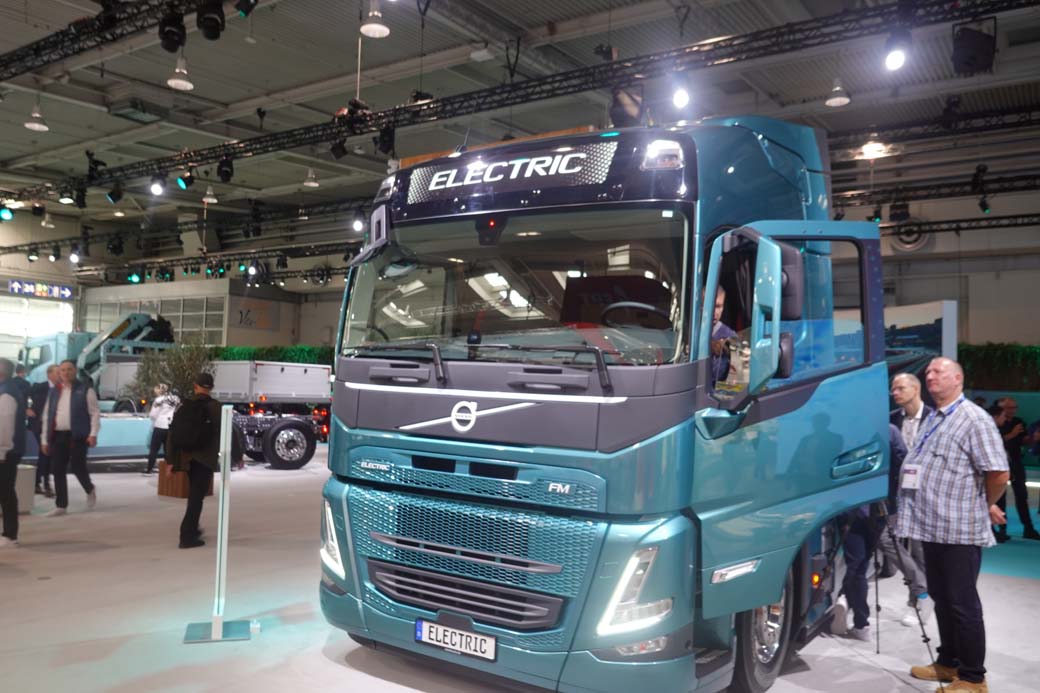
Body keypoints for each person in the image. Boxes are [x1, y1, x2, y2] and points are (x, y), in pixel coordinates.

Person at [898, 357, 1009, 693]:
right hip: (931, 525)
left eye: (939, 371)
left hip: (959, 528)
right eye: (928, 371)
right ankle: (949, 661)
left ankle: (973, 678)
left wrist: (983, 504)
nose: (930, 375)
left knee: (962, 603)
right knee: (942, 598)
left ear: (958, 379)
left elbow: (998, 473)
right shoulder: (936, 417)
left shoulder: (973, 419)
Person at [167, 373, 222, 549]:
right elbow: (225, 432)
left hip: (187, 457)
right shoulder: (216, 407)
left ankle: (193, 529)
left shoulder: (184, 406)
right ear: (211, 388)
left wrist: (170, 460)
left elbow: (172, 433)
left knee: (195, 495)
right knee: (196, 498)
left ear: (195, 386)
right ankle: (187, 536)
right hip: (205, 458)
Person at [40, 360, 100, 516]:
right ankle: (61, 505)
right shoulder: (54, 391)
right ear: (59, 373)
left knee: (78, 467)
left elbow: (94, 413)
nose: (66, 373)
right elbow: (47, 415)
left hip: (78, 436)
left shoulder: (86, 390)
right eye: (63, 370)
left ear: (75, 371)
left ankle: (89, 488)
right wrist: (44, 440)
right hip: (58, 436)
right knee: (57, 469)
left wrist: (93, 434)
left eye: (69, 369)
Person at [991, 397, 1039, 541]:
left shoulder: (1018, 422)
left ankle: (1028, 528)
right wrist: (1011, 435)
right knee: (1000, 497)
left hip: (1015, 461)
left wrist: (1034, 438)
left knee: (1022, 495)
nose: (1012, 411)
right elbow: (994, 442)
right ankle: (1001, 529)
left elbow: (1024, 440)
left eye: (1014, 407)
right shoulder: (990, 423)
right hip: (998, 463)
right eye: (1009, 408)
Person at [0, 358, 28, 548]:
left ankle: (10, 535)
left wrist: (2, 452)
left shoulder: (6, 394)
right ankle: (9, 533)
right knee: (5, 491)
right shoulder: (6, 390)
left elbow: (5, 427)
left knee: (5, 492)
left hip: (6, 452)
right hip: (7, 450)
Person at [28, 365, 59, 498]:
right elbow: (21, 395)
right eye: (57, 372)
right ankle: (46, 484)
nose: (60, 375)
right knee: (45, 452)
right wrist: (26, 408)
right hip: (39, 425)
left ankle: (37, 483)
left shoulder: (61, 388)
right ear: (49, 374)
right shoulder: (39, 387)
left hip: (53, 426)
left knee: (46, 454)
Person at [144, 384, 179, 475]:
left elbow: (153, 415)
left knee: (154, 449)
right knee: (168, 450)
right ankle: (169, 470)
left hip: (159, 426)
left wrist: (154, 419)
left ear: (159, 391)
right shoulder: (175, 399)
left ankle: (149, 469)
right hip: (170, 426)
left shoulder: (158, 400)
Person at [710, 286, 736, 384]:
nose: (714, 312)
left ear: (723, 307)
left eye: (718, 306)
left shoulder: (730, 336)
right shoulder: (691, 332)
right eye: (709, 306)